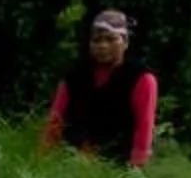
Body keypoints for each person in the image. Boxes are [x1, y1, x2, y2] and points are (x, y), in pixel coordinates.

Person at [40, 9, 157, 168]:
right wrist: (44, 156)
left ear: (125, 42)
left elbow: (144, 125)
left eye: (110, 39)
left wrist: (137, 164)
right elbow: (56, 118)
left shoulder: (141, 78)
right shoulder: (75, 76)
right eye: (96, 40)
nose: (102, 46)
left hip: (117, 164)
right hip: (72, 160)